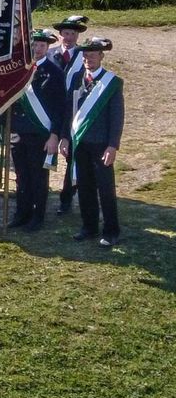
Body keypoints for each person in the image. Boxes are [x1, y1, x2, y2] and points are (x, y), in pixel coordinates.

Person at [61, 37, 124, 248]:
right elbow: (68, 113)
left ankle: (111, 230)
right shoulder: (78, 79)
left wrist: (113, 145)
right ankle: (89, 227)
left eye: (93, 55)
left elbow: (117, 117)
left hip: (101, 144)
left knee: (105, 189)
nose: (89, 59)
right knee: (85, 186)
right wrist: (64, 137)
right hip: (80, 143)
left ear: (101, 57)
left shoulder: (111, 83)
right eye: (86, 56)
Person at [8, 29, 67, 232]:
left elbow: (60, 108)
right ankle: (21, 213)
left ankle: (37, 216)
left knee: (38, 177)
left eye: (41, 45)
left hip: (41, 135)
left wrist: (54, 135)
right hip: (18, 132)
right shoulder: (19, 70)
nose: (37, 49)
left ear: (47, 47)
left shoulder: (55, 72)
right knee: (21, 176)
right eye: (34, 45)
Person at [48, 14, 89, 216]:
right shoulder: (49, 54)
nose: (69, 37)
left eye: (73, 34)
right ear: (60, 34)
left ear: (77, 36)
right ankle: (40, 194)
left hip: (74, 112)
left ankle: (67, 198)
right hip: (50, 111)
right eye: (65, 33)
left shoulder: (84, 57)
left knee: (73, 157)